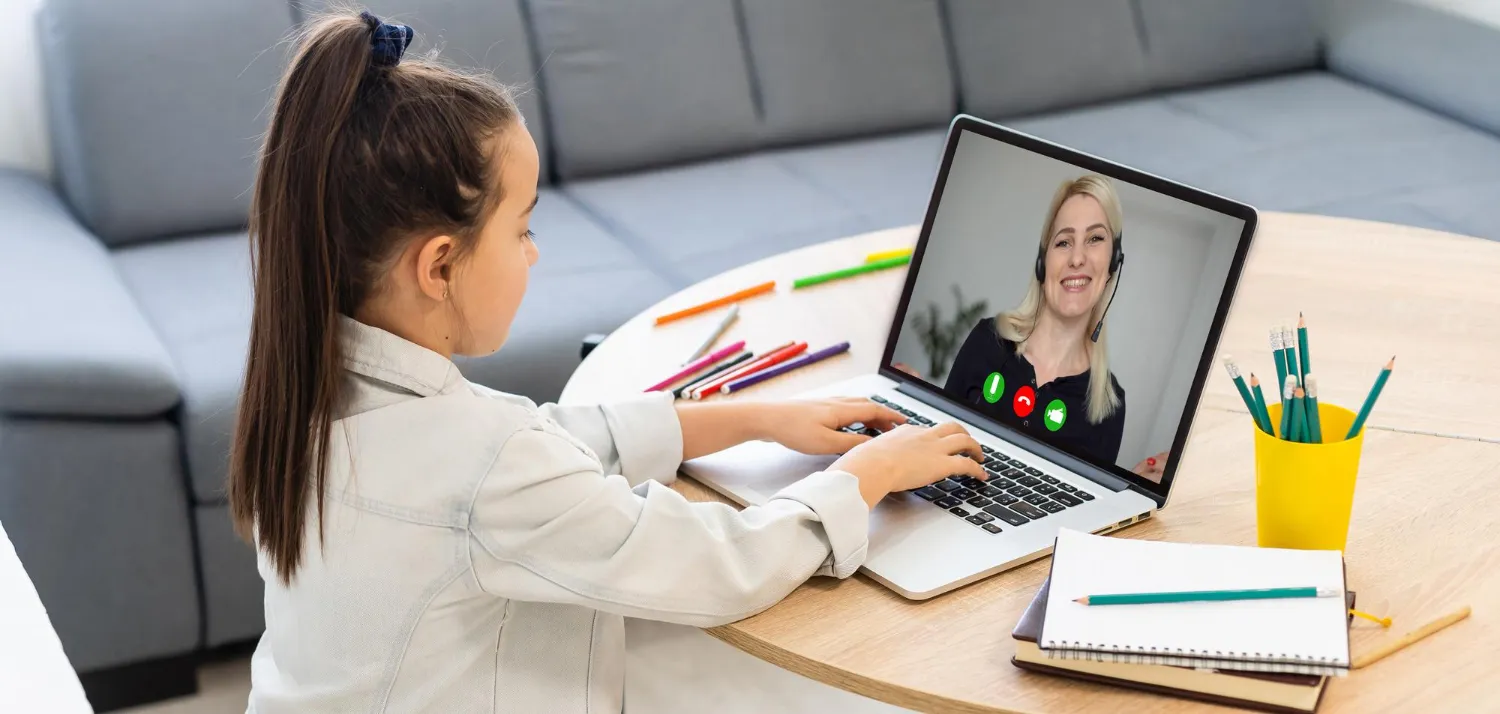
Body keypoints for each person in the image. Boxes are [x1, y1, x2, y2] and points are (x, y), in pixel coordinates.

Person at [229, 11, 987, 713]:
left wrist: (753, 417)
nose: (534, 252)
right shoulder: (482, 464)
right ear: (438, 266)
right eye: (521, 229)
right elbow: (710, 567)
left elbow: (540, 443)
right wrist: (866, 477)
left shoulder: (309, 393)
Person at [943, 175, 1164, 474]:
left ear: (1114, 263)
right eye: (1064, 242)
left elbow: (1083, 518)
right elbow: (937, 448)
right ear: (1042, 262)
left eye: (1095, 239)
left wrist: (1123, 499)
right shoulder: (988, 340)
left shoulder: (1109, 405)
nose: (1077, 258)